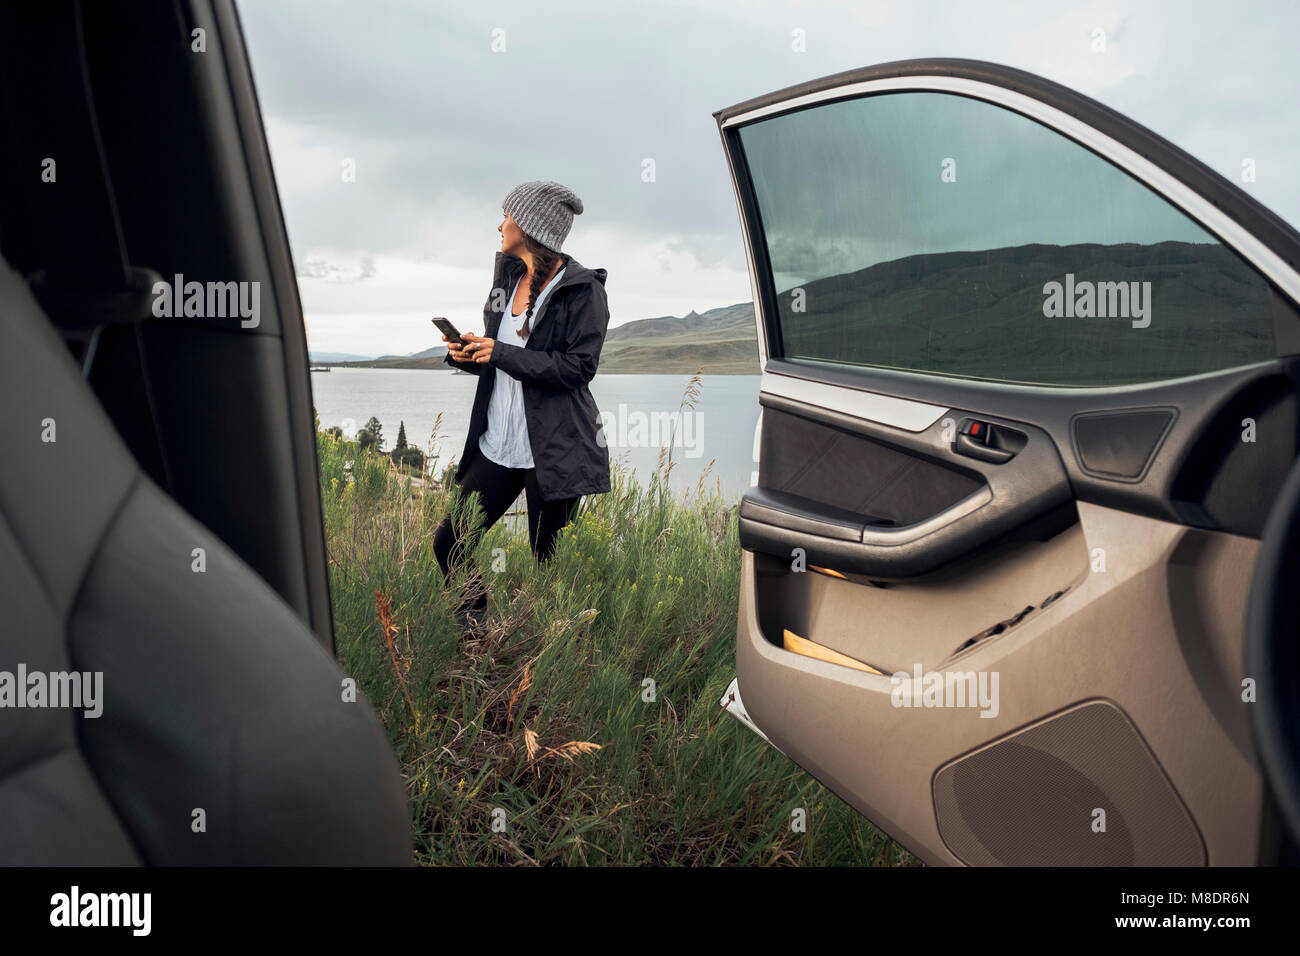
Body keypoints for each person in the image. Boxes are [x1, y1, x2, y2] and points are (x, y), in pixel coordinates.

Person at [434, 180, 611, 632]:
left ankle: (556, 662)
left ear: (529, 228)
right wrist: (470, 354)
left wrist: (500, 353)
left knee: (549, 568)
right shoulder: (507, 278)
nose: (500, 225)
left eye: (507, 217)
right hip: (498, 444)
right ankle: (474, 631)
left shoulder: (584, 291)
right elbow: (502, 362)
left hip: (552, 452)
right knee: (450, 542)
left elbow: (576, 370)